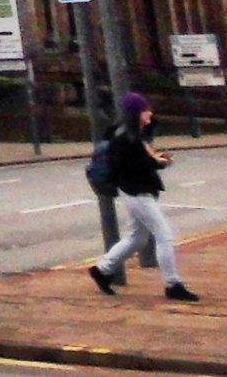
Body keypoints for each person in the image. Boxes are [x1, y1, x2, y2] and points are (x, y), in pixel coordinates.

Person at [89, 93, 198, 302]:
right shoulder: (125, 138)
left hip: (138, 191)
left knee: (136, 238)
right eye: (146, 110)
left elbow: (143, 152)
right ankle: (173, 284)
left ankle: (102, 270)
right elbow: (134, 166)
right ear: (137, 113)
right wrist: (159, 163)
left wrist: (156, 159)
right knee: (164, 235)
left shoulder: (134, 134)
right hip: (136, 193)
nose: (150, 113)